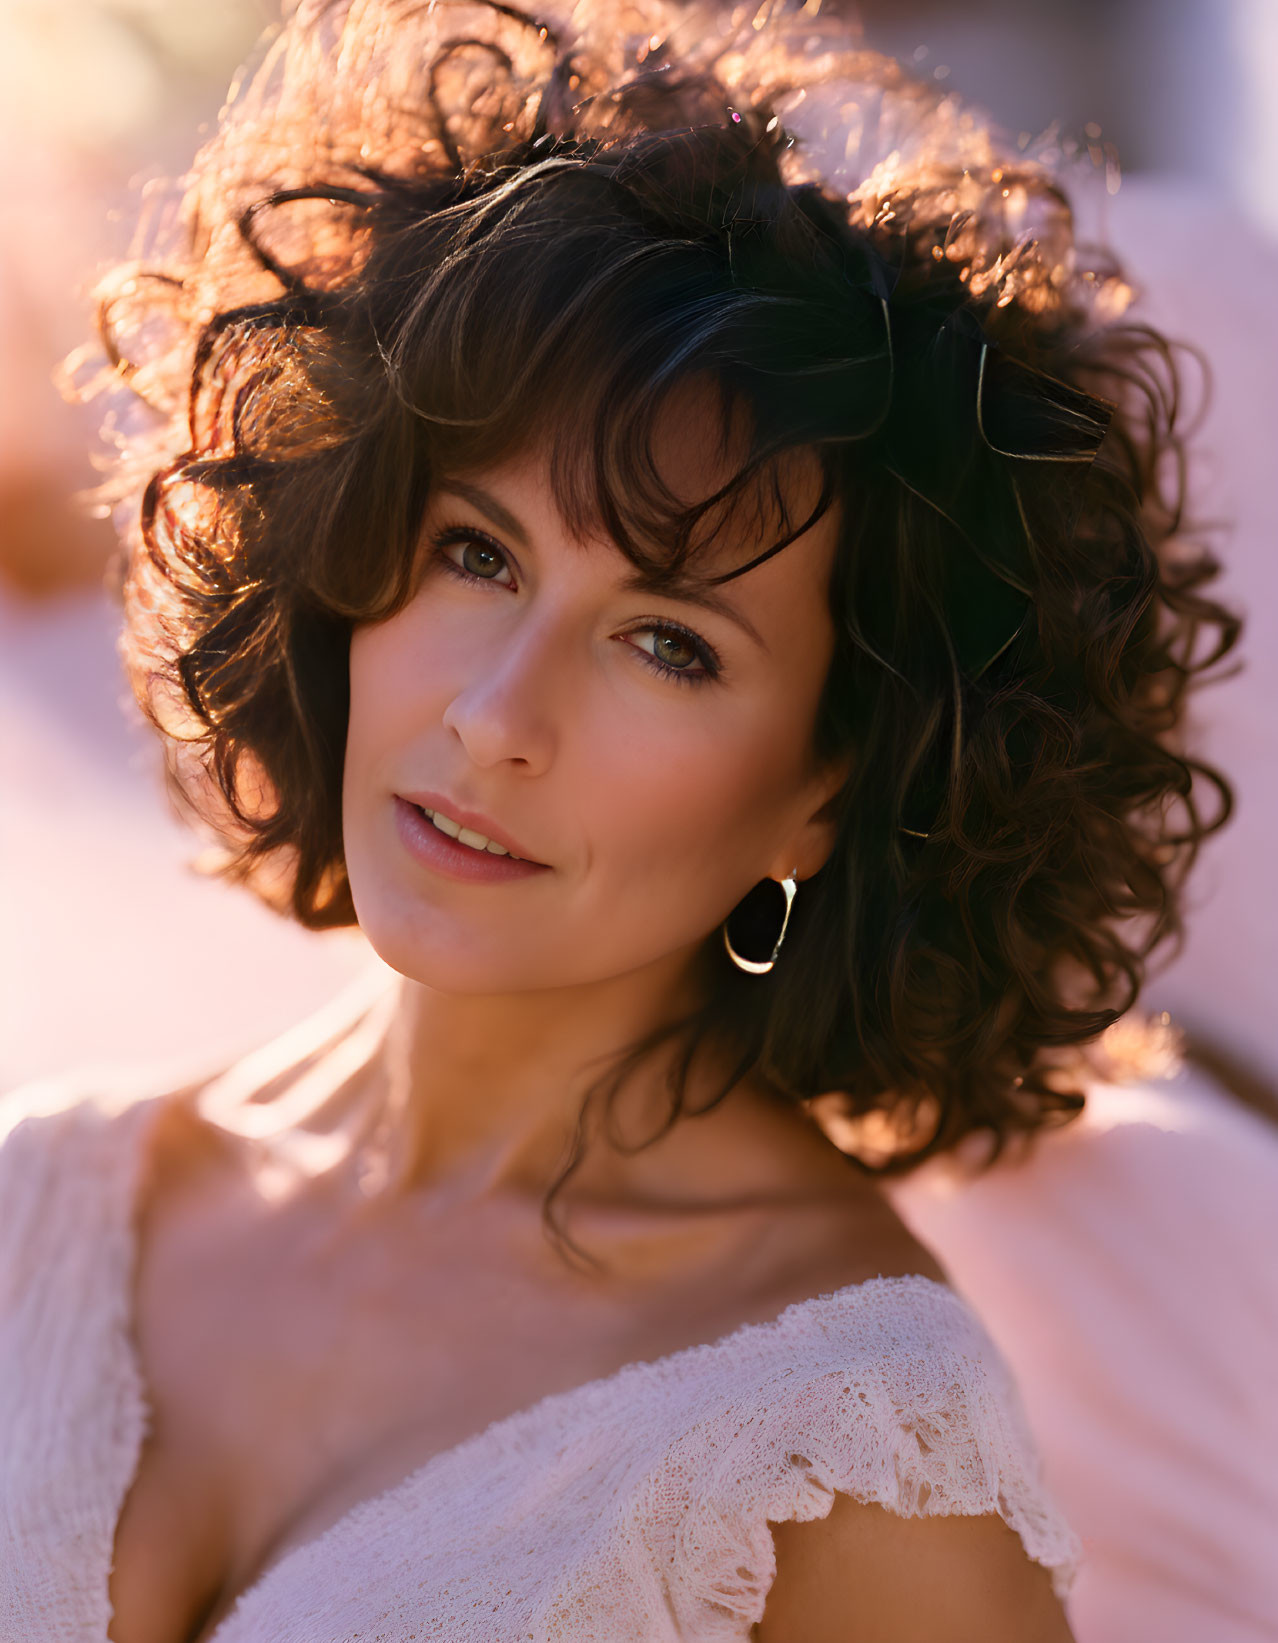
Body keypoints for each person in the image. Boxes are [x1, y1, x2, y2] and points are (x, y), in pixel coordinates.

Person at [3, 0, 1239, 1639]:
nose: (496, 717)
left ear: (826, 787)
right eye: (477, 554)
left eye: (669, 644)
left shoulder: (851, 1465)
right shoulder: (48, 1197)